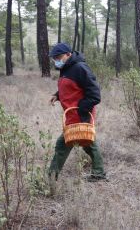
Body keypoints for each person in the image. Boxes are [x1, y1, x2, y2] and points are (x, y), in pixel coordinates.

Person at [48, 43, 106, 193]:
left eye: (58, 57)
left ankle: (50, 179)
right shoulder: (65, 69)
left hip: (80, 114)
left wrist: (81, 109)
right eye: (54, 58)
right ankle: (99, 173)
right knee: (88, 142)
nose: (56, 61)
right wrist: (57, 95)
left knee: (63, 144)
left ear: (68, 54)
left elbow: (95, 94)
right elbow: (71, 88)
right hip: (72, 115)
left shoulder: (80, 68)